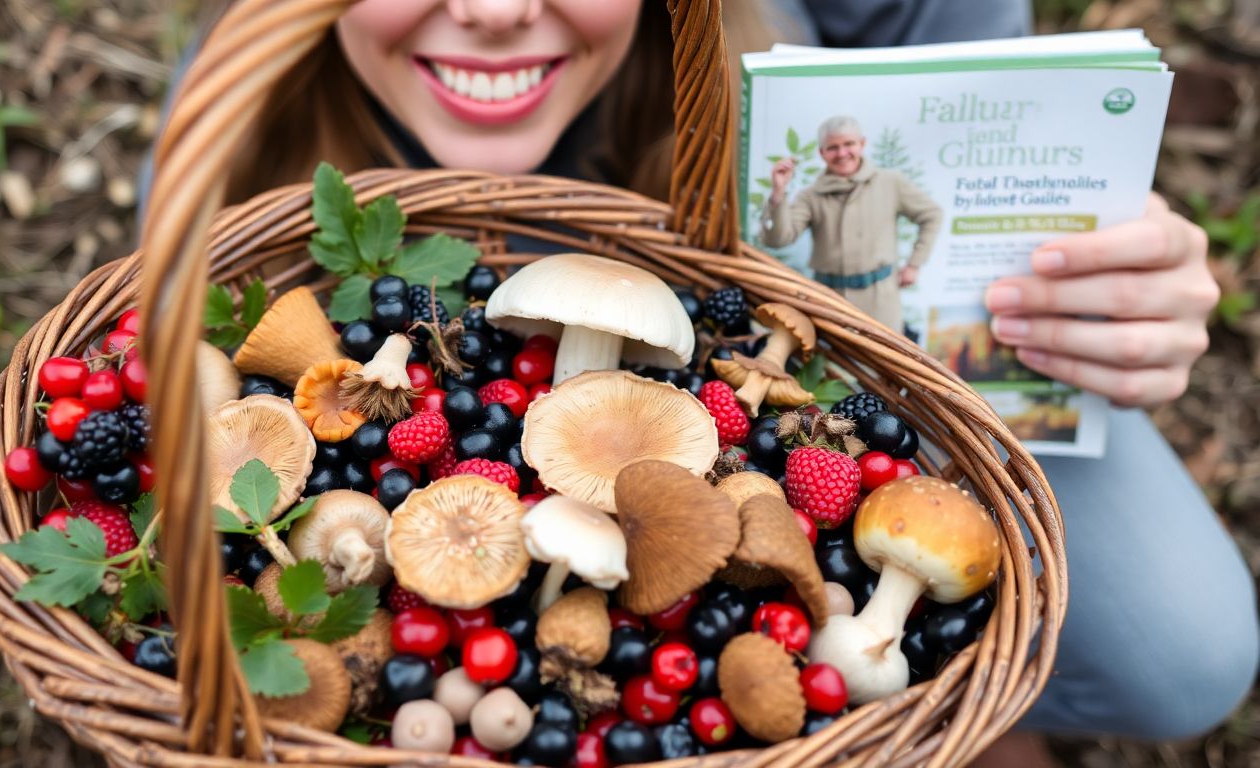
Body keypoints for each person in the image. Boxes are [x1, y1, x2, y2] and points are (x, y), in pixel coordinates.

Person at [148, 0, 1258, 757]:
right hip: (440, 427)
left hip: (827, 323)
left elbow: (987, 165)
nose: (490, 8)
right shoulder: (240, 144)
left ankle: (939, 710)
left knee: (1186, 646)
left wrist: (1087, 294)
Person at [759, 115, 944, 331]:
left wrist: (914, 264)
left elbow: (931, 214)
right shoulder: (810, 196)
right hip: (829, 299)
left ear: (862, 144)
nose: (842, 153)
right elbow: (778, 239)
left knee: (884, 360)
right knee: (834, 361)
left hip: (881, 299)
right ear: (822, 153)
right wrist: (778, 194)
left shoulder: (890, 182)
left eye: (849, 144)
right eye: (833, 147)